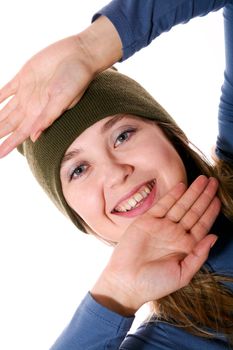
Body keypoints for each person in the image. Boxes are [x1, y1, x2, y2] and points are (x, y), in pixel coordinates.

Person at [1, 0, 233, 349]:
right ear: (79, 218)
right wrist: (115, 295)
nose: (115, 173)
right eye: (79, 170)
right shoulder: (175, 337)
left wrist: (91, 46)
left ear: (167, 134)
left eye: (123, 135)